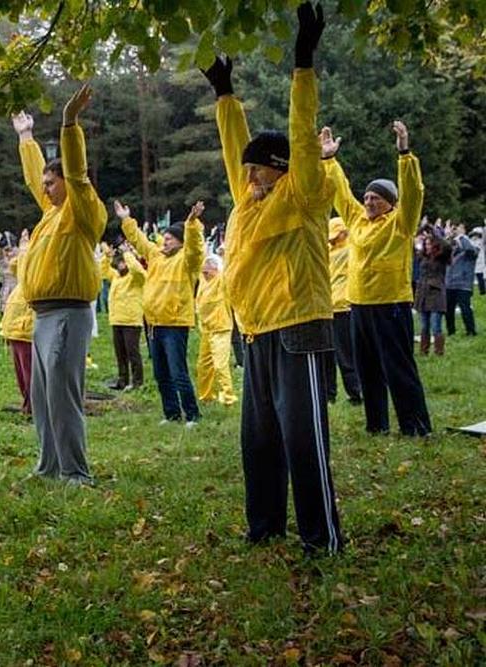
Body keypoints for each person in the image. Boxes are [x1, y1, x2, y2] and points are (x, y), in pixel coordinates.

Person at [202, 1, 343, 554]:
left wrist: (302, 63)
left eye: (258, 167)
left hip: (299, 327)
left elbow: (302, 137)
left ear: (280, 169)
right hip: (255, 331)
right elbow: (231, 146)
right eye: (249, 169)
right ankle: (264, 529)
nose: (250, 175)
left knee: (302, 439)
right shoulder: (249, 202)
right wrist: (223, 94)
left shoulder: (304, 196)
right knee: (259, 439)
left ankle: (320, 538)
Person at [12, 83, 107, 486]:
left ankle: (75, 471)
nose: (46, 187)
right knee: (43, 395)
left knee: (63, 397)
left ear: (67, 182)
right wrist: (25, 138)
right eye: (47, 183)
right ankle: (49, 465)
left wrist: (70, 125)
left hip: (69, 312)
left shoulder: (82, 211)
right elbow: (35, 180)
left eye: (54, 182)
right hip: (43, 315)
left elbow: (79, 175)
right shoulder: (50, 216)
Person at [321, 118, 432, 436]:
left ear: (391, 203)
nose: (369, 201)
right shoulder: (357, 220)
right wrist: (329, 159)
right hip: (359, 305)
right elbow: (341, 194)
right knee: (368, 370)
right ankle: (376, 425)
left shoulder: (401, 222)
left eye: (376, 198)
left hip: (391, 304)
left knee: (398, 368)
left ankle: (416, 426)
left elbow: (413, 192)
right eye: (367, 197)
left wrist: (404, 154)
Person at [120, 199, 205, 423]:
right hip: (154, 325)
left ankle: (193, 415)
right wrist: (126, 220)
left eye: (169, 239)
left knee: (178, 373)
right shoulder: (156, 256)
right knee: (161, 374)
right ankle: (172, 414)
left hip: (175, 325)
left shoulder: (187, 262)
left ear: (180, 241)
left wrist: (192, 224)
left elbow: (196, 248)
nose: (164, 242)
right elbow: (139, 240)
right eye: (164, 238)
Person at [325, 218, 362, 404]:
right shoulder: (332, 251)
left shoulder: (349, 251)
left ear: (343, 233)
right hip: (330, 308)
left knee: (344, 354)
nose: (332, 239)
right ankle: (330, 394)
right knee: (329, 355)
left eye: (335, 235)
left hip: (343, 308)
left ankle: (355, 393)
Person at [100, 243, 146, 391]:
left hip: (131, 321)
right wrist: (107, 256)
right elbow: (103, 271)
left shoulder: (135, 278)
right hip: (117, 320)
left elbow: (138, 270)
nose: (121, 265)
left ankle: (137, 382)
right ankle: (122, 380)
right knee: (120, 353)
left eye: (124, 262)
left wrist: (128, 254)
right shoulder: (116, 277)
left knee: (133, 352)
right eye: (119, 262)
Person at [195, 254, 238, 406]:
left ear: (216, 269)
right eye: (203, 271)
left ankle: (228, 397)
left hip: (221, 329)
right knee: (203, 365)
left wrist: (225, 254)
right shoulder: (203, 281)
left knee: (220, 365)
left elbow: (229, 269)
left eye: (207, 271)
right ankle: (206, 396)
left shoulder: (221, 281)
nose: (205, 273)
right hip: (207, 330)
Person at [0, 235, 34, 415]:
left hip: (25, 333)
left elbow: (24, 262)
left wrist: (25, 248)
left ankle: (33, 406)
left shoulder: (33, 283)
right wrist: (21, 249)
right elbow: (14, 265)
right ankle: (27, 403)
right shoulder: (20, 283)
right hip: (14, 332)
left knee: (29, 373)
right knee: (21, 373)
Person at [414, 226, 452, 355]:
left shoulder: (442, 257)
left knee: (436, 326)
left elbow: (446, 246)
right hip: (423, 293)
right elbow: (413, 243)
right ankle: (423, 351)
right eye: (426, 244)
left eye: (430, 243)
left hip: (436, 294)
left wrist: (435, 232)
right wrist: (422, 228)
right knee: (424, 326)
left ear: (435, 245)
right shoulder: (422, 257)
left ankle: (438, 351)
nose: (427, 246)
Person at [444, 222, 478, 336]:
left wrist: (461, 236)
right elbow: (441, 249)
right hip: (449, 283)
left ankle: (471, 331)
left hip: (464, 284)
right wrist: (447, 236)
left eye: (458, 228)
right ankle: (451, 331)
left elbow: (471, 250)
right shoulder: (452, 247)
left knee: (465, 308)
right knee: (448, 310)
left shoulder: (471, 245)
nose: (455, 230)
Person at [472, 227, 485, 295]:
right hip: (474, 261)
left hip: (479, 260)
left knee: (480, 276)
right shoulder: (472, 240)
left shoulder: (481, 241)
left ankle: (482, 291)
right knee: (472, 276)